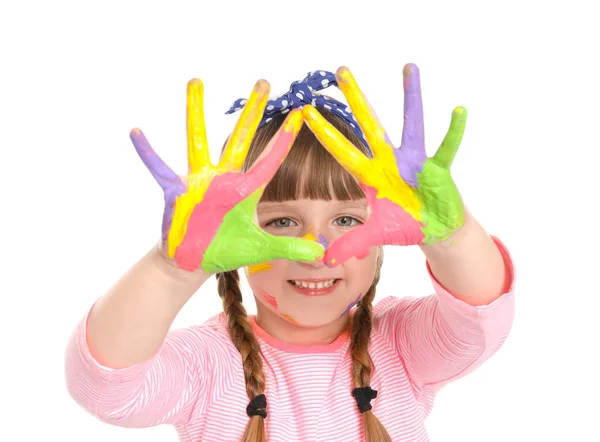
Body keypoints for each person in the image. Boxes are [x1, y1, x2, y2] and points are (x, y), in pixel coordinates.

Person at [64, 65, 515, 442]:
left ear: (383, 242)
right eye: (282, 222)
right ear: (232, 243)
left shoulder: (400, 346)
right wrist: (171, 272)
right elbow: (106, 387)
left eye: (346, 221)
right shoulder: (207, 363)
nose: (316, 251)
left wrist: (450, 238)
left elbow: (480, 319)